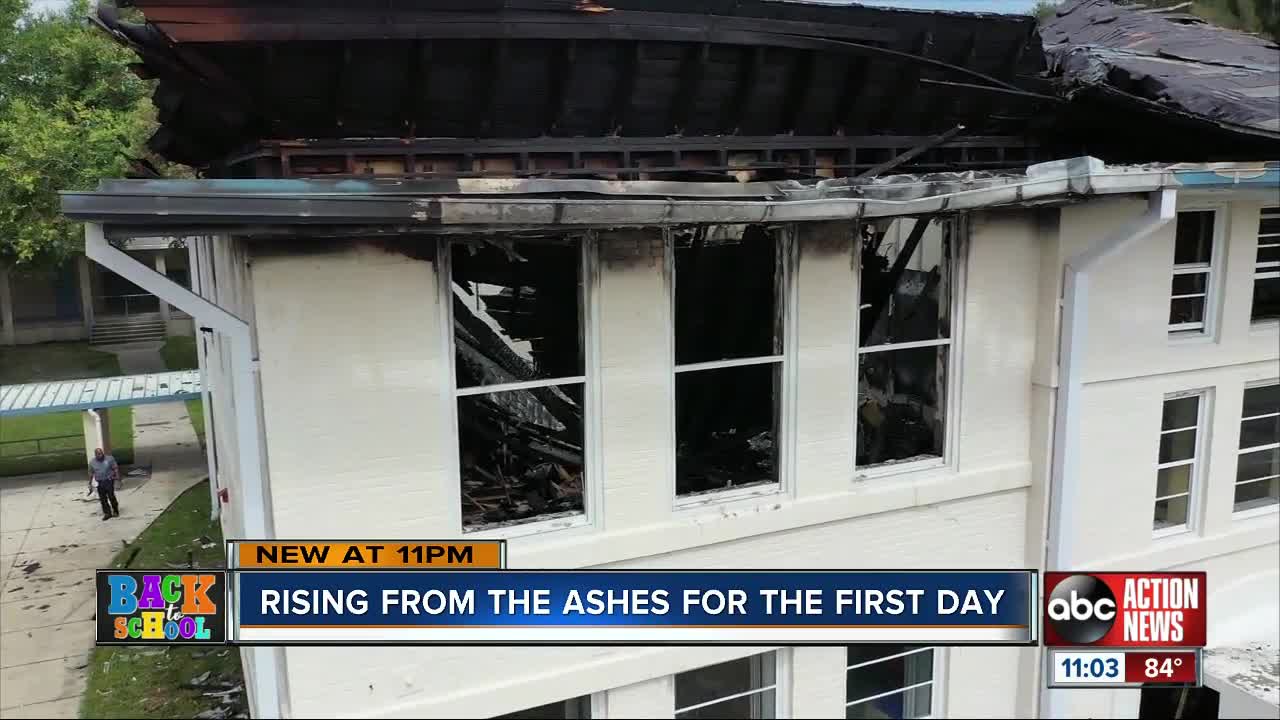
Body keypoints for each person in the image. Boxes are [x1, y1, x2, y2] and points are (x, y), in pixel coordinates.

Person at [88, 448, 120, 520]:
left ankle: (115, 510)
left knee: (111, 496)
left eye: (101, 453)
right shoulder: (92, 462)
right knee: (103, 499)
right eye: (98, 454)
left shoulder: (109, 459)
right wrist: (90, 483)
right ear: (95, 455)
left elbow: (115, 468)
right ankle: (107, 513)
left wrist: (117, 476)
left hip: (109, 480)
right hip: (100, 482)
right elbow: (90, 473)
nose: (100, 455)